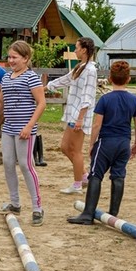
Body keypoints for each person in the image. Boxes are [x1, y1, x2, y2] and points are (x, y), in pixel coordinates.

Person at [67, 60, 136, 225]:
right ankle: (113, 214)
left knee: (96, 175)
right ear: (128, 79)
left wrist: (91, 143)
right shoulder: (134, 100)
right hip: (124, 143)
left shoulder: (105, 99)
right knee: (118, 176)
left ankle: (88, 213)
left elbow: (97, 124)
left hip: (106, 142)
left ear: (109, 78)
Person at [0, 40, 46, 226]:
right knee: (8, 164)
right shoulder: (6, 77)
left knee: (26, 166)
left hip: (24, 129)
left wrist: (28, 126)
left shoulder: (31, 77)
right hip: (8, 128)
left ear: (25, 58)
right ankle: (15, 203)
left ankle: (37, 207)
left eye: (15, 57)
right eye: (9, 57)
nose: (11, 60)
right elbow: (1, 102)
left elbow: (41, 103)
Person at [47, 37, 97, 194]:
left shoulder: (90, 70)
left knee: (75, 150)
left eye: (76, 48)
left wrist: (80, 118)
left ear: (84, 50)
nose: (74, 50)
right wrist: (46, 87)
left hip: (79, 116)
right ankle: (84, 176)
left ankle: (77, 184)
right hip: (73, 113)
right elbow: (66, 79)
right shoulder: (80, 67)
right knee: (64, 147)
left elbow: (87, 96)